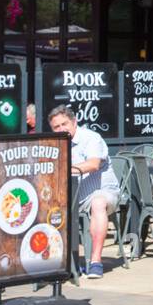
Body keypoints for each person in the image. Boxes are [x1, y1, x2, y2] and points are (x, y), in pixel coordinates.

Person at [48, 105, 120, 279]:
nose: (61, 129)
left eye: (64, 124)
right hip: (73, 196)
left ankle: (95, 262)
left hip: (102, 191)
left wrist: (61, 169)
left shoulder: (91, 138)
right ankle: (54, 263)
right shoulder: (55, 143)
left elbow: (93, 164)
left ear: (74, 122)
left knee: (98, 203)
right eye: (56, 127)